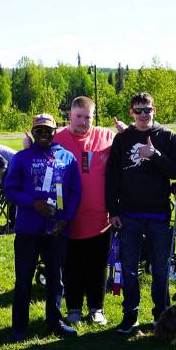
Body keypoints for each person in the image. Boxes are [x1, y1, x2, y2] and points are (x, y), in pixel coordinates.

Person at [106, 92, 176, 334]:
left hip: (158, 215)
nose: (143, 115)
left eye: (147, 110)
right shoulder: (123, 139)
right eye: (138, 110)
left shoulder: (168, 137)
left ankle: (161, 315)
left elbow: (175, 170)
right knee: (129, 267)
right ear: (131, 113)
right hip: (128, 214)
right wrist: (113, 210)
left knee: (160, 268)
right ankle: (130, 315)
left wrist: (155, 155)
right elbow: (112, 177)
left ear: (154, 110)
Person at [4, 113, 82, 341]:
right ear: (33, 132)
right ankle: (19, 326)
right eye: (39, 131)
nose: (44, 135)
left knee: (56, 278)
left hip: (58, 229)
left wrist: (66, 219)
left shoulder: (67, 158)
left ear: (55, 132)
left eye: (48, 130)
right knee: (24, 278)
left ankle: (55, 321)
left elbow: (75, 192)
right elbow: (10, 189)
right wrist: (33, 203)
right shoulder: (21, 158)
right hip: (28, 229)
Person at [54, 96, 115, 327]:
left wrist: (128, 131)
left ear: (93, 116)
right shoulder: (56, 138)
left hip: (101, 217)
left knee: (98, 265)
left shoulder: (106, 136)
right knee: (72, 265)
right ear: (70, 115)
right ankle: (74, 309)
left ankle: (97, 308)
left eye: (87, 117)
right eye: (78, 116)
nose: (82, 121)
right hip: (69, 218)